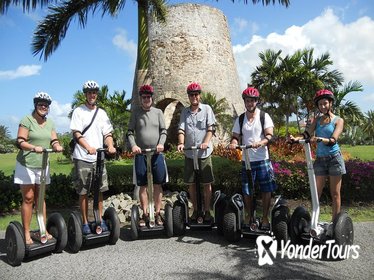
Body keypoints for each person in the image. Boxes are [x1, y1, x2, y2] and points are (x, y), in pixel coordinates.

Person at [14, 92, 63, 245]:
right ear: (35, 105)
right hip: (26, 164)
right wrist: (33, 147)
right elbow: (20, 141)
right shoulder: (27, 120)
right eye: (41, 104)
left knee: (40, 198)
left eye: (46, 105)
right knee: (28, 198)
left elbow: (54, 139)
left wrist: (56, 146)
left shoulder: (50, 123)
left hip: (43, 165)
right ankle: (27, 233)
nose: (44, 107)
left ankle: (42, 229)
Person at [289, 89, 345, 222]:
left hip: (334, 159)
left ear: (330, 103)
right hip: (320, 160)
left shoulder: (338, 120)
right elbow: (307, 134)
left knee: (335, 194)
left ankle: (335, 224)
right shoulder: (317, 120)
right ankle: (314, 222)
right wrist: (295, 139)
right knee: (316, 193)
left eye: (325, 103)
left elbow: (333, 140)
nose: (323, 106)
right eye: (320, 104)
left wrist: (320, 139)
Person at [70, 80, 116, 234]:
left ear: (97, 94)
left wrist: (110, 145)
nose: (92, 95)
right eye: (89, 92)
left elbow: (107, 133)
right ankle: (84, 222)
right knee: (83, 191)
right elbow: (76, 133)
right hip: (83, 157)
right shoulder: (79, 111)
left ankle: (99, 219)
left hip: (99, 157)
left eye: (94, 92)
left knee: (99, 190)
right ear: (85, 94)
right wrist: (88, 147)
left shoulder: (102, 113)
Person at [228, 87, 276, 230]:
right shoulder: (241, 118)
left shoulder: (264, 116)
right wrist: (234, 143)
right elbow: (235, 136)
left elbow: (269, 135)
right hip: (247, 160)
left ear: (256, 102)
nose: (250, 103)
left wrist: (261, 142)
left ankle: (266, 217)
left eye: (252, 101)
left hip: (262, 159)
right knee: (247, 190)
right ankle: (249, 216)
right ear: (245, 102)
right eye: (248, 101)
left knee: (266, 189)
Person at [126, 84, 168, 226]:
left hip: (156, 153)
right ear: (140, 98)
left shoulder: (158, 113)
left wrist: (161, 144)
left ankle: (157, 213)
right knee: (142, 185)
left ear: (152, 98)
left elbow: (163, 131)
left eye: (148, 97)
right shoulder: (136, 112)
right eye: (144, 97)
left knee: (158, 184)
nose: (146, 99)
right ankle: (144, 214)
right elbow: (130, 132)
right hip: (141, 154)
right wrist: (134, 146)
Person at [177, 82, 216, 222]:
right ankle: (195, 210)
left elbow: (211, 128)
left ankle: (207, 211)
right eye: (191, 95)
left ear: (199, 95)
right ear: (188, 97)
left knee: (207, 183)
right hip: (190, 153)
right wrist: (181, 143)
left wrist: (205, 142)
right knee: (191, 184)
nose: (194, 97)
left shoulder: (206, 109)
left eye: (196, 94)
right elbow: (181, 129)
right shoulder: (185, 112)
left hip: (204, 153)